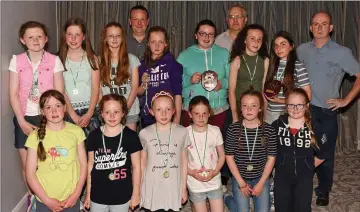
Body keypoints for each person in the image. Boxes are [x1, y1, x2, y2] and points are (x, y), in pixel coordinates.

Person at [297, 11, 360, 206]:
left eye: (324, 24)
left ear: (331, 28)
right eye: (315, 23)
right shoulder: (301, 50)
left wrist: (346, 100)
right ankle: (301, 184)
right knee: (303, 150)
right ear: (310, 27)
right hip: (303, 111)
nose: (319, 27)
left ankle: (323, 190)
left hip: (326, 111)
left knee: (325, 153)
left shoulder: (342, 52)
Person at [8, 21, 65, 211]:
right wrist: (22, 121)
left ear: (46, 39)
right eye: (30, 37)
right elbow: (13, 94)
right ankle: (33, 198)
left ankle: (50, 196)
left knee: (48, 160)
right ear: (22, 40)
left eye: (39, 36)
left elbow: (59, 93)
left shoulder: (54, 60)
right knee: (27, 164)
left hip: (47, 118)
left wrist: (56, 118)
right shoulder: (16, 61)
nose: (35, 40)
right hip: (24, 116)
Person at [25, 90, 87, 212]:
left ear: (65, 107)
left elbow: (83, 165)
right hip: (44, 199)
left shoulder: (77, 132)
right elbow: (30, 174)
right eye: (48, 107)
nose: (54, 111)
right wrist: (47, 200)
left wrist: (76, 194)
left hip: (70, 198)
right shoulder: (34, 136)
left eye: (58, 105)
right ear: (42, 112)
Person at [84, 94, 142, 212]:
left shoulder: (131, 136)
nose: (112, 116)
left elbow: (137, 167)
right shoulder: (94, 136)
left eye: (116, 112)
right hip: (97, 195)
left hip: (122, 194)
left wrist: (136, 194)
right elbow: (90, 166)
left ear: (124, 113)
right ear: (101, 113)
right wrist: (88, 195)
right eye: (107, 112)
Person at [271, 88, 324, 212]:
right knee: (282, 205)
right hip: (282, 175)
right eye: (291, 105)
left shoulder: (315, 126)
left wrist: (308, 167)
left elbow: (323, 153)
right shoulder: (277, 125)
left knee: (302, 206)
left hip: (304, 177)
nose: (295, 108)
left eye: (299, 105)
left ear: (307, 106)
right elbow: (269, 148)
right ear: (286, 106)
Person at [224, 89, 277, 212]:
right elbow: (229, 158)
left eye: (253, 105)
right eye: (245, 106)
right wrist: (241, 183)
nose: (249, 109)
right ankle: (227, 197)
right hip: (240, 177)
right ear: (240, 108)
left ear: (260, 108)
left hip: (261, 177)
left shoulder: (269, 130)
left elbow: (271, 158)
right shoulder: (233, 129)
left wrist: (262, 183)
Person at [139, 91, 189, 212]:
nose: (164, 113)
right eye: (159, 109)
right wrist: (140, 188)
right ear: (151, 111)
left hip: (173, 184)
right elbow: (142, 163)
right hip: (152, 184)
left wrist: (183, 188)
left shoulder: (182, 132)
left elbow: (184, 162)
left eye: (167, 109)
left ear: (173, 111)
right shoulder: (144, 133)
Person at [178, 19, 230, 130]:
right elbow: (175, 82)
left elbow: (232, 79)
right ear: (196, 35)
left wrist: (222, 84)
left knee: (216, 144)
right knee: (192, 145)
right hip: (192, 110)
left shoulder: (224, 54)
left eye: (210, 34)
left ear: (214, 36)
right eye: (202, 33)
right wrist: (189, 80)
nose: (206, 37)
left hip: (218, 108)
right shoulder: (184, 56)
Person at [59, 17, 101, 136]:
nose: (73, 38)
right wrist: (73, 115)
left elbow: (96, 89)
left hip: (91, 112)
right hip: (67, 111)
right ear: (64, 36)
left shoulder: (92, 59)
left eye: (77, 34)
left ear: (83, 37)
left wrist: (89, 114)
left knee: (92, 150)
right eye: (70, 34)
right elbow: (61, 90)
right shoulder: (58, 60)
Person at [138, 26, 183, 128]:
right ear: (148, 43)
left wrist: (177, 119)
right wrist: (144, 85)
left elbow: (178, 94)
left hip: (168, 115)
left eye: (160, 42)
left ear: (166, 43)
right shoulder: (142, 65)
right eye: (153, 42)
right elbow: (138, 92)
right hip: (149, 116)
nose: (157, 46)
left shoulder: (173, 65)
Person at [186, 96, 225, 212]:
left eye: (204, 113)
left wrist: (215, 171)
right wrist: (192, 173)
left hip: (214, 181)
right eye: (196, 113)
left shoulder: (215, 131)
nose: (201, 117)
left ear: (209, 113)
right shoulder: (184, 133)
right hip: (194, 183)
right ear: (190, 114)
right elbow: (180, 160)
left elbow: (222, 155)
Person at [99, 22, 140, 131]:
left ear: (122, 39)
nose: (115, 39)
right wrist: (103, 110)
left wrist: (124, 110)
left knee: (129, 145)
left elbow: (135, 88)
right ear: (105, 39)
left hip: (129, 111)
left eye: (118, 36)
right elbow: (98, 91)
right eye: (111, 36)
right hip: (108, 113)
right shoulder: (98, 61)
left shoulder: (132, 59)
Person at [264, 30, 311, 124]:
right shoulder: (270, 66)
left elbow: (308, 96)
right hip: (269, 114)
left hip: (288, 113)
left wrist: (281, 101)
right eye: (276, 45)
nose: (279, 48)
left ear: (291, 46)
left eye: (283, 44)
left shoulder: (298, 66)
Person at [228, 24, 269, 124]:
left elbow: (264, 90)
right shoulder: (237, 60)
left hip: (257, 108)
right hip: (240, 108)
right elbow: (231, 91)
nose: (256, 42)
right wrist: (235, 117)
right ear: (245, 40)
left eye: (259, 39)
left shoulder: (265, 60)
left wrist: (264, 113)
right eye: (252, 38)